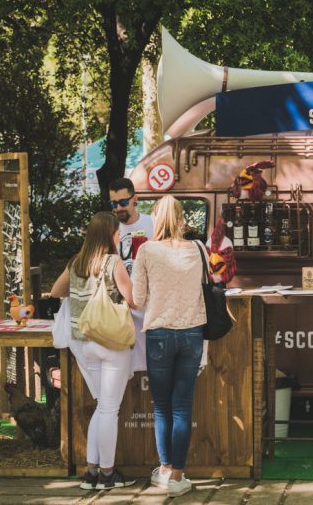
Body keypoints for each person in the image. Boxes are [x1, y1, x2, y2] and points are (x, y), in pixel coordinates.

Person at [50, 212, 137, 490]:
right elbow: (133, 301)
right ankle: (107, 474)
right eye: (117, 232)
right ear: (110, 235)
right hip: (109, 341)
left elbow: (55, 291)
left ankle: (91, 472)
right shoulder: (114, 262)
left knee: (103, 405)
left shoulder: (77, 261)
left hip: (83, 343)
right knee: (110, 409)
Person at [131, 195, 206, 498]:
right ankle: (178, 475)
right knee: (183, 406)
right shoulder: (199, 249)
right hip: (192, 333)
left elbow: (137, 298)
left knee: (162, 406)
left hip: (159, 332)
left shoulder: (147, 250)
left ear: (156, 220)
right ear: (181, 218)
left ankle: (164, 469)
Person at [109, 178, 154, 374]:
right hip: (120, 310)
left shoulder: (152, 223)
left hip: (149, 307)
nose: (118, 208)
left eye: (123, 202)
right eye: (113, 204)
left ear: (135, 199)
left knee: (149, 366)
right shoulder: (109, 228)